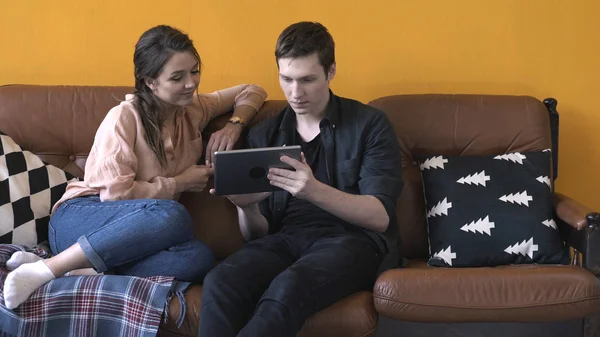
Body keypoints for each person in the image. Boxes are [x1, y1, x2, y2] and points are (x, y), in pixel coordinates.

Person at [3, 24, 267, 310]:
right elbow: (116, 195)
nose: (191, 83)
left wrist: (233, 125)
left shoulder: (194, 109)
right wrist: (179, 183)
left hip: (128, 238)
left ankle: (72, 268)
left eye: (194, 71)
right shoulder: (124, 118)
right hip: (82, 218)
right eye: (177, 77)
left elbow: (252, 90)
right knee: (173, 215)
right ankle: (46, 270)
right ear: (151, 82)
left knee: (199, 257)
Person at [198, 21, 403, 337]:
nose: (296, 93)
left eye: (308, 80)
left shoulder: (369, 124)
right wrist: (247, 208)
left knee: (288, 287)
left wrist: (314, 190)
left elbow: (379, 218)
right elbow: (256, 235)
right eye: (286, 79)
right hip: (284, 240)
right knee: (220, 281)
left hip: (352, 241)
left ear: (330, 71)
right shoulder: (266, 133)